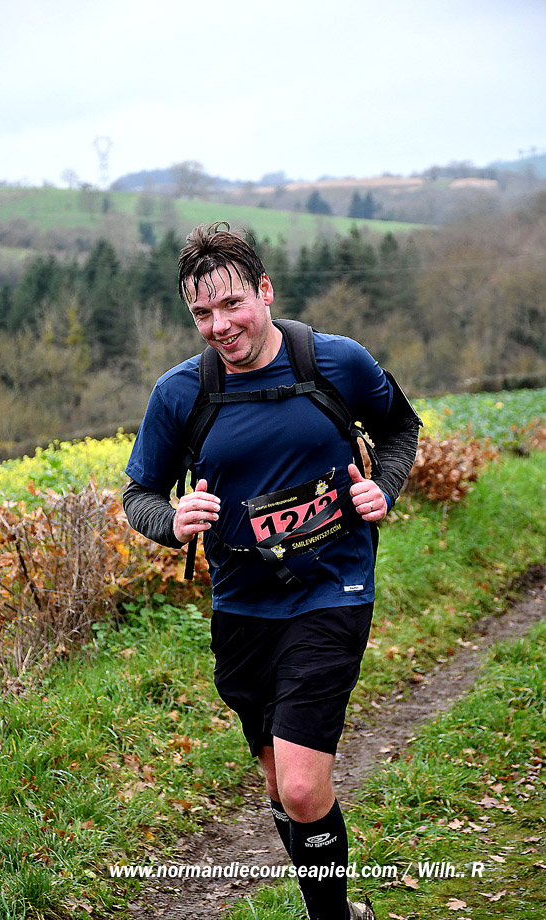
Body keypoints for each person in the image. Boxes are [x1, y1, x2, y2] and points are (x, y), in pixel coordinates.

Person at [123, 222, 421, 920]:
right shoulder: (180, 394)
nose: (220, 326)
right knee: (278, 782)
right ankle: (339, 908)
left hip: (333, 586)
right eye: (202, 314)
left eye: (232, 305)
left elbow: (399, 428)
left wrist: (383, 488)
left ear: (264, 290)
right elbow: (140, 494)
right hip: (242, 604)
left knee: (300, 786)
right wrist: (173, 520)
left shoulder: (335, 362)